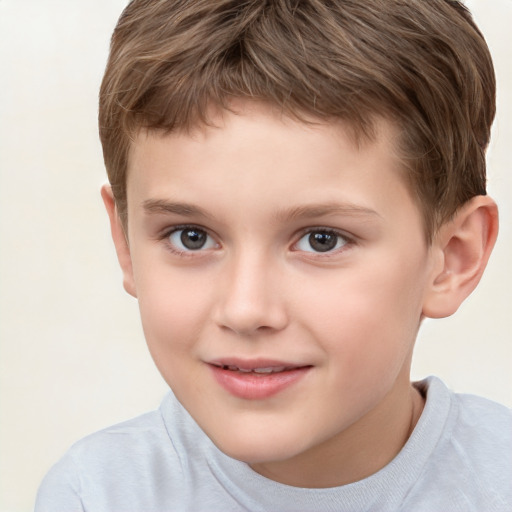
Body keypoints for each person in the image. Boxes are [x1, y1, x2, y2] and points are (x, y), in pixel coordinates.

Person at [35, 0, 511, 510]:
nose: (245, 309)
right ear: (126, 243)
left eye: (321, 239)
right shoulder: (95, 495)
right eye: (191, 236)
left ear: (453, 258)